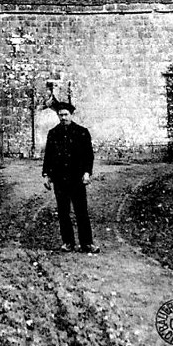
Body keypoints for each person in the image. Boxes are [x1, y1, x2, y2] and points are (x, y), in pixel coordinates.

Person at [42, 101, 100, 253]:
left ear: (71, 115)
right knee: (63, 212)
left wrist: (87, 172)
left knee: (81, 211)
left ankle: (87, 243)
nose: (63, 118)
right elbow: (48, 156)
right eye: (60, 115)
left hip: (77, 179)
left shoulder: (82, 132)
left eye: (65, 114)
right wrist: (46, 175)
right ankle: (68, 242)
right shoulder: (53, 133)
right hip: (60, 179)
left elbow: (89, 155)